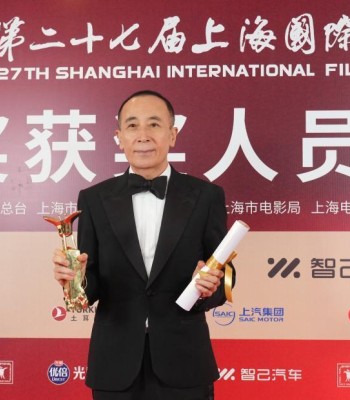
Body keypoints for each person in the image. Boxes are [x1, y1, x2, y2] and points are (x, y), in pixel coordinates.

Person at [52, 90, 235, 400]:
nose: (143, 135)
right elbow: (90, 283)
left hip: (185, 360)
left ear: (172, 135)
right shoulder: (94, 199)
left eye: (154, 124)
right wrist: (74, 281)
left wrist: (209, 287)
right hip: (114, 363)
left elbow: (225, 272)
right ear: (119, 137)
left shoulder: (206, 197)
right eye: (133, 125)